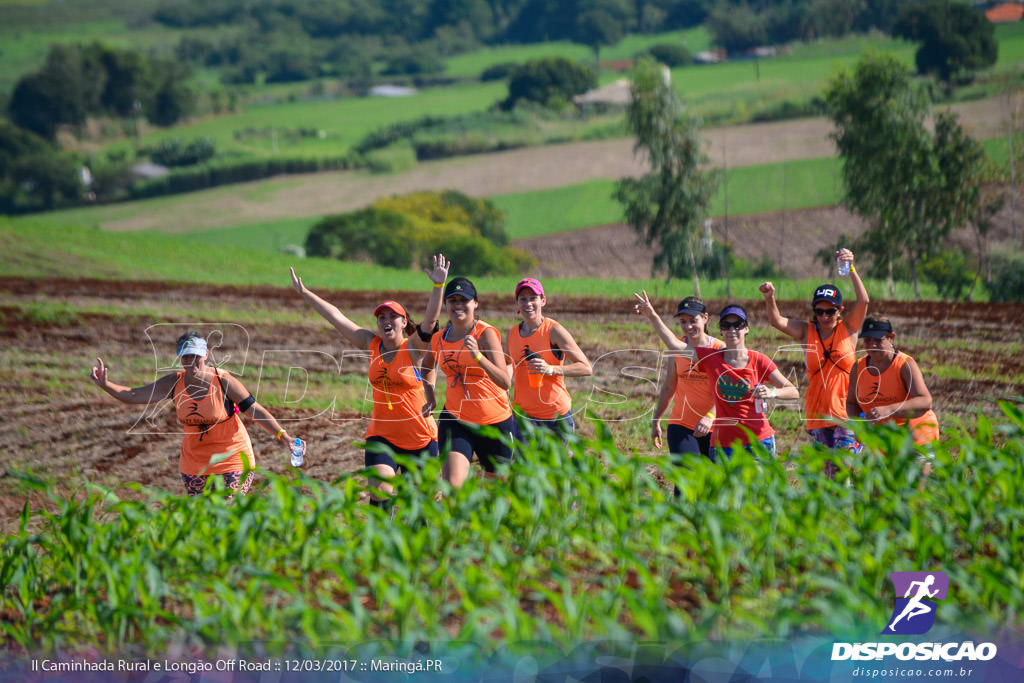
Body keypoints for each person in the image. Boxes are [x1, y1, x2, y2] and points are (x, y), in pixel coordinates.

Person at [290, 255, 449, 508]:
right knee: (381, 491)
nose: (386, 321)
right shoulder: (370, 344)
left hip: (420, 438)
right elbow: (336, 317)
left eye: (392, 316)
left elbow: (430, 321)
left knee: (422, 508)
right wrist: (306, 293)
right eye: (381, 317)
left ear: (404, 321)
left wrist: (438, 286)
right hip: (382, 436)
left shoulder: (414, 348)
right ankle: (378, 541)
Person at [90, 332, 296, 497]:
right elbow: (134, 395)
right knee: (203, 520)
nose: (192, 360)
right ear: (180, 356)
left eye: (196, 355)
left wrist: (283, 435)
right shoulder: (173, 382)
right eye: (186, 355)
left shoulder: (223, 380)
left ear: (206, 354)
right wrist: (105, 384)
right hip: (195, 464)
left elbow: (254, 409)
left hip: (232, 459)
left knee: (227, 513)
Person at [634, 293, 799, 460]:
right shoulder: (711, 358)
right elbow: (674, 346)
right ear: (721, 330)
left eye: (738, 325)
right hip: (724, 444)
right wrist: (652, 315)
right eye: (726, 326)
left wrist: (771, 392)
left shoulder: (759, 360)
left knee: (755, 485)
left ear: (747, 328)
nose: (732, 330)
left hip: (757, 440)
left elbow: (793, 391)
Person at [759, 249, 869, 467]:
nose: (825, 316)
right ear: (814, 311)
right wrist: (769, 297)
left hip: (844, 414)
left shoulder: (849, 329)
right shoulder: (806, 331)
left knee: (843, 471)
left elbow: (864, 301)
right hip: (816, 415)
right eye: (820, 311)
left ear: (840, 310)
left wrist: (852, 269)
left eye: (831, 311)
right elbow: (777, 321)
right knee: (825, 476)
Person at [423, 275, 520, 488]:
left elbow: (505, 381)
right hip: (456, 421)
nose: (458, 306)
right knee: (452, 487)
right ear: (446, 304)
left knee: (496, 495)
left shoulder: (485, 334)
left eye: (464, 300)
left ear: (475, 303)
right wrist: (430, 397)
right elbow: (427, 367)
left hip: (495, 423)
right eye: (453, 301)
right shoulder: (438, 338)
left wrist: (478, 356)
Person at [846, 315, 939, 475]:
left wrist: (889, 409)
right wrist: (859, 426)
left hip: (916, 436)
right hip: (884, 439)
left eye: (878, 340)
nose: (872, 345)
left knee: (911, 492)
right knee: (879, 494)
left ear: (891, 338)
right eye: (867, 340)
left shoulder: (904, 364)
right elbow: (852, 403)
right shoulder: (859, 367)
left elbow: (925, 401)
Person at [505, 277, 592, 439]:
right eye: (523, 299)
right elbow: (509, 363)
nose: (528, 303)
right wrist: (504, 382)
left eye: (533, 298)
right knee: (525, 465)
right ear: (517, 304)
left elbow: (586, 367)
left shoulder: (554, 330)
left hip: (556, 416)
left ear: (543, 301)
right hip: (523, 417)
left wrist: (551, 369)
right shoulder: (512, 334)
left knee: (559, 464)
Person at [648, 297, 725, 472]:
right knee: (684, 479)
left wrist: (710, 416)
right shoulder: (677, 349)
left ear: (705, 318)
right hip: (681, 425)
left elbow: (725, 392)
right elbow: (669, 387)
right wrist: (656, 420)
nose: (688, 326)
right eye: (683, 322)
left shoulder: (720, 349)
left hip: (714, 427)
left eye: (693, 321)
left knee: (714, 483)